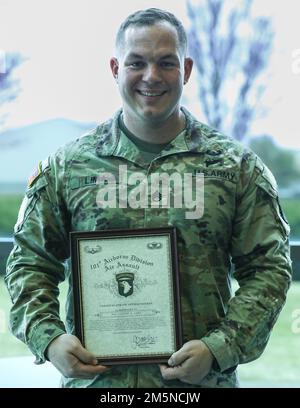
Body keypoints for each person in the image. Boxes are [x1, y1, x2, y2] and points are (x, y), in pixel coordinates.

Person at [5, 8, 292, 388]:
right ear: (114, 69)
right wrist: (50, 338)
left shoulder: (235, 168)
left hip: (196, 388)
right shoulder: (67, 168)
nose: (151, 76)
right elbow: (29, 262)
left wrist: (219, 347)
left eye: (166, 63)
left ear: (186, 70)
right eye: (136, 62)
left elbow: (269, 269)